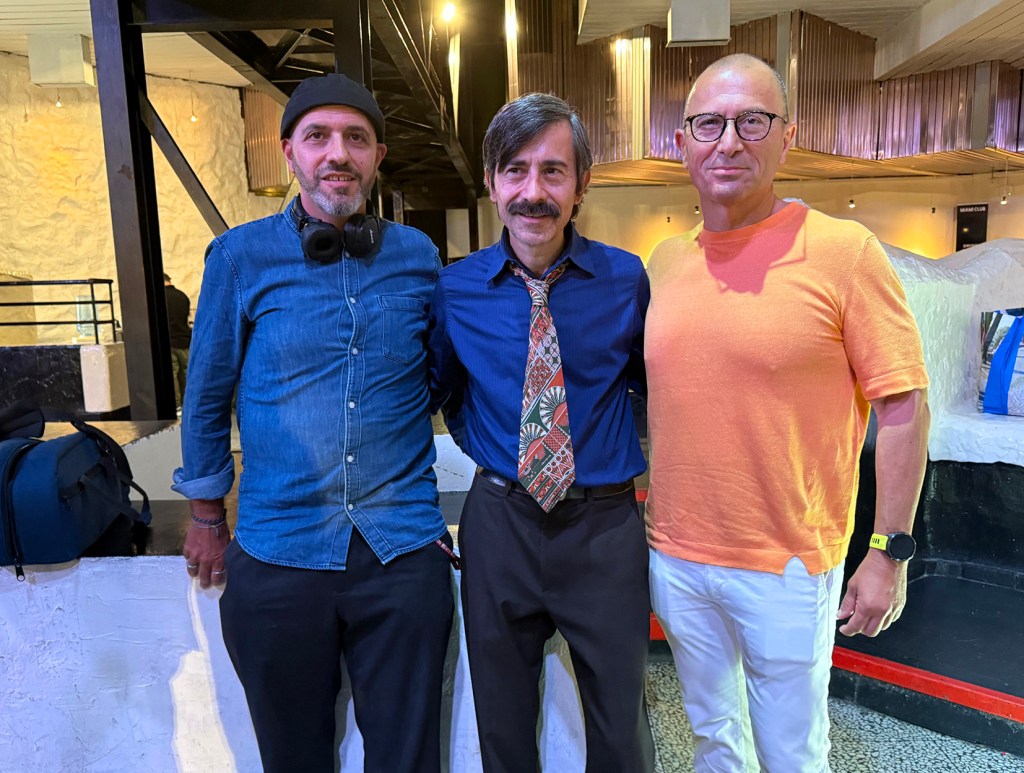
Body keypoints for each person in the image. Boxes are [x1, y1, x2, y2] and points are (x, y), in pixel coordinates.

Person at [644, 53, 931, 772]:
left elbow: (904, 404)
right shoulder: (664, 262)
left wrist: (888, 551)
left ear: (786, 136)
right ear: (682, 142)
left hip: (789, 564)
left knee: (792, 755)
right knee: (714, 739)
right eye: (709, 124)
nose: (728, 142)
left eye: (752, 121)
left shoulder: (844, 253)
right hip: (677, 556)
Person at [171, 73, 455, 773]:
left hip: (400, 552)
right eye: (318, 136)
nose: (338, 153)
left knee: (410, 760)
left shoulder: (418, 256)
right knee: (292, 759)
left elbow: (441, 379)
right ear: (289, 151)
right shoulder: (239, 257)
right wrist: (206, 510)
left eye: (356, 138)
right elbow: (206, 394)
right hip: (278, 553)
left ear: (377, 156)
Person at [429, 93, 654, 773]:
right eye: (516, 170)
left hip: (605, 532)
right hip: (501, 525)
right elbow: (440, 393)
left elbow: (652, 391)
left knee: (621, 730)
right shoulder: (456, 289)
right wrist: (494, 451)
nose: (534, 191)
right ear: (492, 183)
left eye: (553, 171)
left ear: (582, 184)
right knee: (501, 728)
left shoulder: (625, 279)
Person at [163, 272, 191, 410]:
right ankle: (189, 404)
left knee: (172, 374)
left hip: (169, 341)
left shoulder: (161, 297)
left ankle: (177, 405)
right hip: (185, 341)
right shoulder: (182, 296)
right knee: (186, 373)